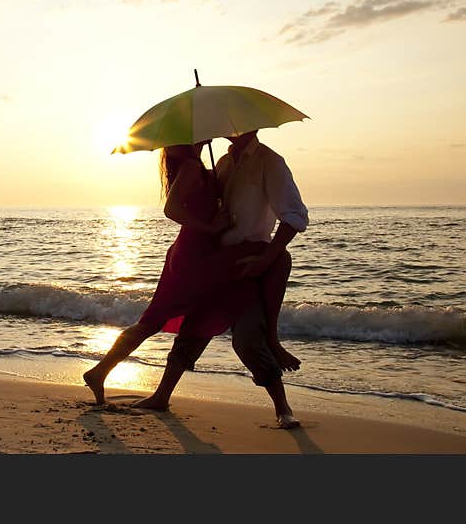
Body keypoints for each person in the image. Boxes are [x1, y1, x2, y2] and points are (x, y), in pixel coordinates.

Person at [134, 130, 309, 429]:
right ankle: (162, 396)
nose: (230, 128)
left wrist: (266, 259)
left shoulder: (270, 161)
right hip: (215, 261)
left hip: (247, 262)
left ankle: (283, 409)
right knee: (194, 328)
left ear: (253, 126)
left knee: (247, 339)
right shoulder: (225, 163)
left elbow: (295, 216)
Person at [82, 141, 232, 405]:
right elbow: (171, 210)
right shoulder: (190, 167)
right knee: (156, 321)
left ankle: (110, 375)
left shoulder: (194, 166)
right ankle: (101, 373)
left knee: (170, 320)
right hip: (192, 254)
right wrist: (210, 228)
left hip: (196, 252)